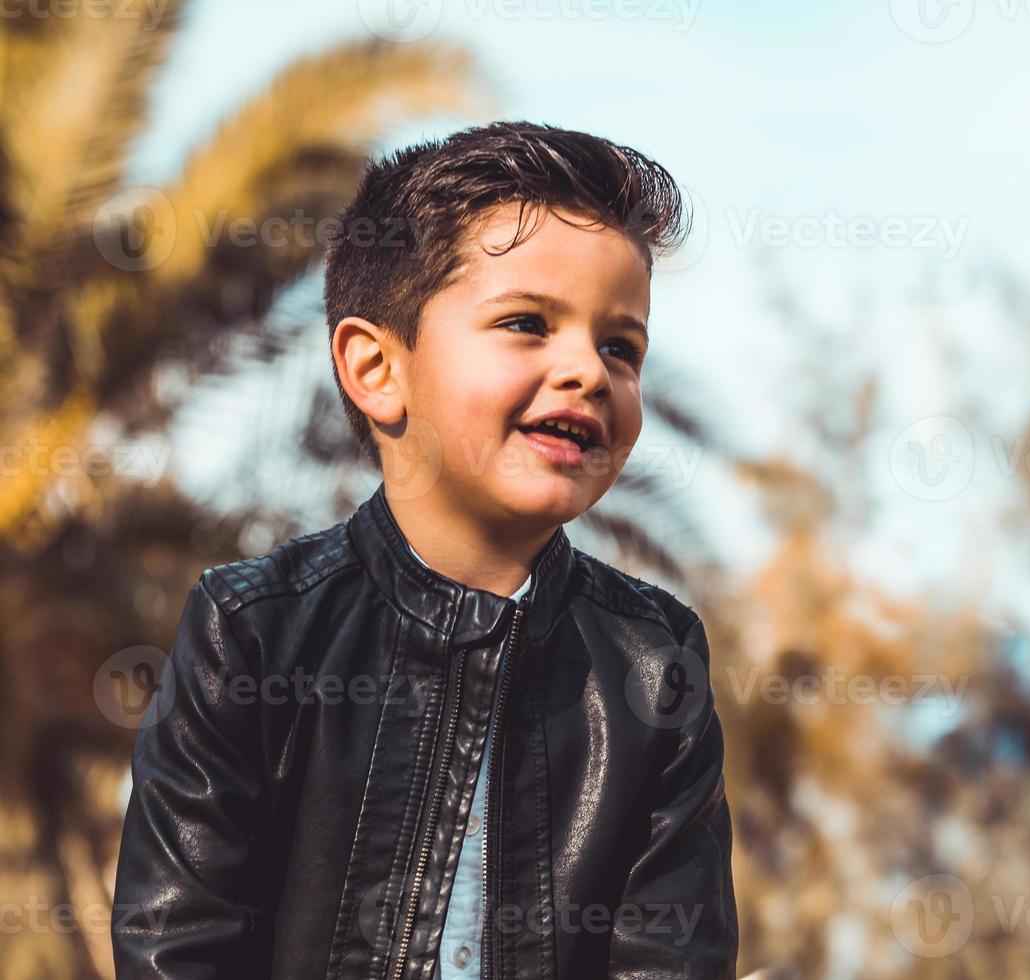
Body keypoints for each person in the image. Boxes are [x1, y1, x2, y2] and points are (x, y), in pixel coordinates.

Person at [112, 121, 738, 979]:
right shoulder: (254, 632)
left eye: (620, 346)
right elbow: (176, 947)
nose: (589, 372)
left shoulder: (653, 664)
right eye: (527, 322)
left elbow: (669, 959)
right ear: (376, 369)